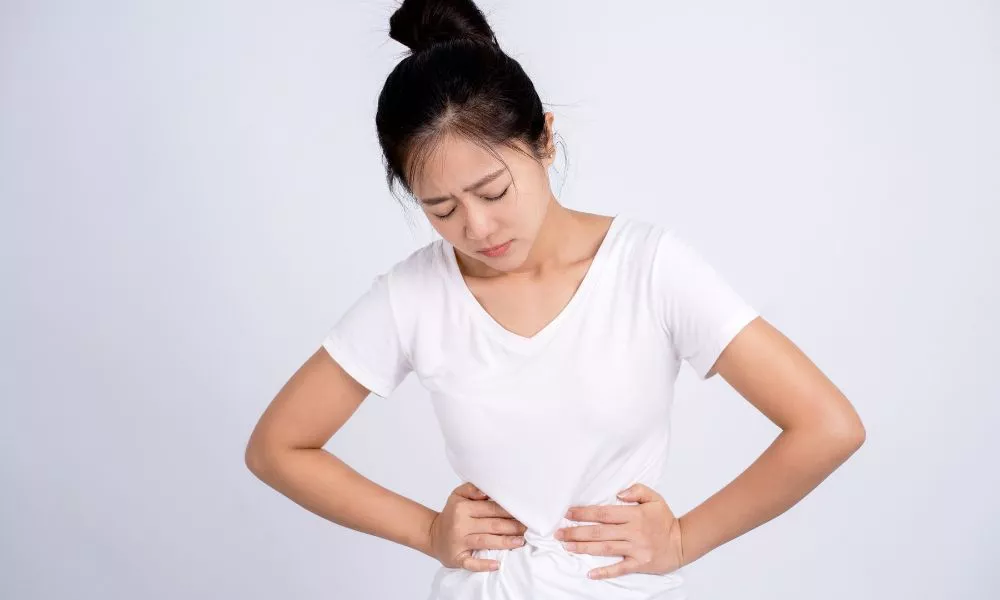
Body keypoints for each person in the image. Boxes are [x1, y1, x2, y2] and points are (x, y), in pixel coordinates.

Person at [244, 1, 866, 598]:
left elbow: (827, 426)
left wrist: (683, 539)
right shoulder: (413, 296)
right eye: (442, 209)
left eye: (493, 191)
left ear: (544, 140)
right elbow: (278, 447)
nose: (478, 229)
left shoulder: (648, 268)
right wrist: (427, 531)